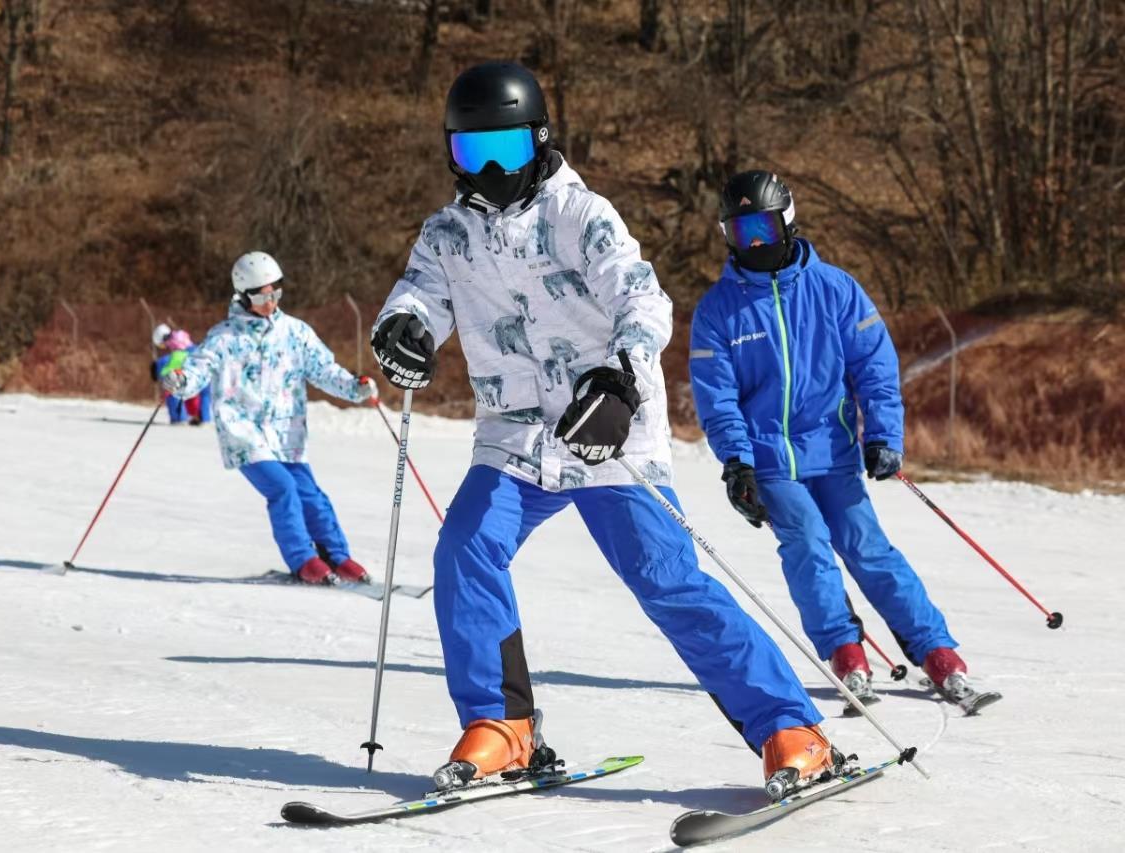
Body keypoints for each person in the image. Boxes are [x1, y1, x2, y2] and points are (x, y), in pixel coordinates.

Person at [371, 62, 844, 797]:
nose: (491, 170)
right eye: (472, 152)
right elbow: (420, 296)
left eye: (507, 149)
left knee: (667, 581)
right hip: (516, 436)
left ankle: (792, 728)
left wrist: (621, 379)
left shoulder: (581, 216)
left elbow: (642, 300)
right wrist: (403, 328)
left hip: (604, 427)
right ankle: (503, 726)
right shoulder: (447, 233)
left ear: (539, 139)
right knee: (465, 549)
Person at [688, 169, 980, 709]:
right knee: (807, 543)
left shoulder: (835, 289)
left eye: (763, 228)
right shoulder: (718, 310)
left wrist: (883, 434)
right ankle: (845, 650)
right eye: (741, 231)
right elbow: (717, 397)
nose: (755, 243)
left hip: (834, 450)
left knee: (867, 547)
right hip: (770, 460)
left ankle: (936, 649)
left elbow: (875, 367)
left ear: (787, 223)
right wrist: (737, 463)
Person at [162, 251, 378, 585]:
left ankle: (337, 556)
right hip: (243, 432)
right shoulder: (224, 337)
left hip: (286, 432)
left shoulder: (294, 332)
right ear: (243, 295)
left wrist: (354, 387)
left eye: (276, 293)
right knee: (283, 488)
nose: (271, 302)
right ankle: (303, 559)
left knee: (311, 495)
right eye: (263, 296)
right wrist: (182, 382)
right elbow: (199, 368)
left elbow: (323, 369)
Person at [152, 327, 212, 426]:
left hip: (187, 361)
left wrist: (166, 375)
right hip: (200, 358)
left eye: (162, 344)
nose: (164, 347)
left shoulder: (175, 348)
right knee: (204, 390)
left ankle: (179, 418)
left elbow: (176, 361)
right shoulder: (180, 335)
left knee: (174, 389)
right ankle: (205, 418)